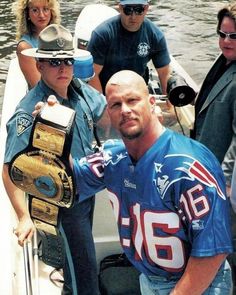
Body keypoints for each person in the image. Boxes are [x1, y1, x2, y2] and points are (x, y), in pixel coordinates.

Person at [48, 70, 232, 294]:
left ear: (152, 102)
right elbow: (70, 178)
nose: (125, 110)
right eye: (116, 105)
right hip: (149, 279)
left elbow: (213, 251)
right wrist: (53, 130)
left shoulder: (188, 166)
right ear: (109, 112)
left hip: (201, 284)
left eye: (132, 100)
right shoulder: (113, 159)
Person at [2, 24, 107, 295]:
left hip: (87, 192)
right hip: (63, 206)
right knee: (83, 277)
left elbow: (105, 113)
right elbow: (9, 168)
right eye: (54, 62)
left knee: (81, 267)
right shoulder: (28, 113)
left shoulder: (79, 90)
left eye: (68, 61)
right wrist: (23, 216)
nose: (63, 68)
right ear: (39, 65)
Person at [191, 3, 236, 196]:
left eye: (234, 36)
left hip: (220, 181)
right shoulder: (224, 59)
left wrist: (225, 181)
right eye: (222, 34)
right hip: (203, 166)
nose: (226, 41)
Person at [87, 0, 171, 95]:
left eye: (139, 10)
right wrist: (103, 106)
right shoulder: (102, 34)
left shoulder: (156, 35)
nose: (133, 17)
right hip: (107, 93)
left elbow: (164, 74)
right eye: (128, 10)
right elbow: (92, 75)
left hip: (137, 92)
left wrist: (169, 103)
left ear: (146, 9)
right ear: (120, 8)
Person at [12, 0, 61, 88]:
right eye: (35, 10)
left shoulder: (60, 37)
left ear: (51, 12)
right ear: (27, 14)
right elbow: (40, 87)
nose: (41, 15)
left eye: (46, 9)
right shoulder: (25, 47)